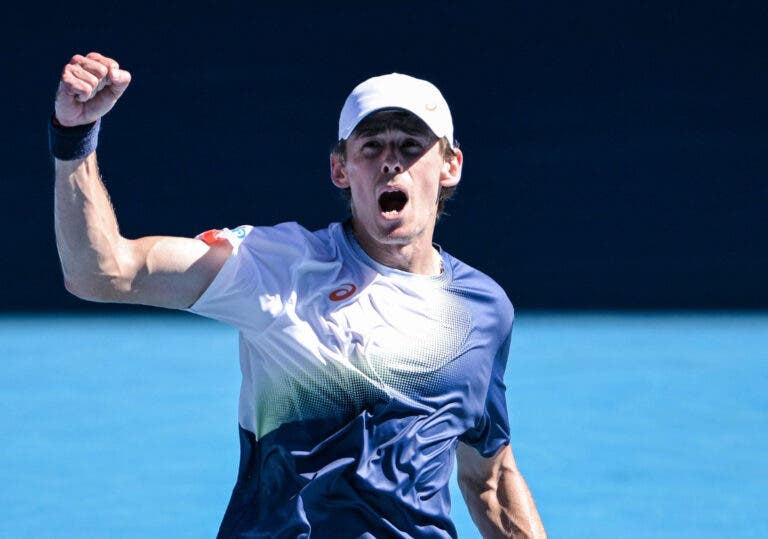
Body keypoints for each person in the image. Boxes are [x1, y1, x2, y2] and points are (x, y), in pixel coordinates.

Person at [51, 51, 547, 539]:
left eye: (412, 145)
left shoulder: (482, 309)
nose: (391, 162)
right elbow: (102, 272)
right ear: (340, 169)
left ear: (449, 166)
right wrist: (74, 136)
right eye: (371, 146)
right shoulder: (277, 267)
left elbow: (491, 480)